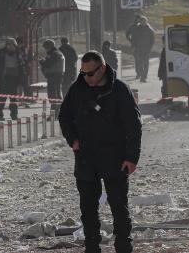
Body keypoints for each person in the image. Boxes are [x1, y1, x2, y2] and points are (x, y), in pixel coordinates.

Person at [58, 51, 142, 253]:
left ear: (102, 69)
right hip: (86, 157)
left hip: (115, 157)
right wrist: (73, 141)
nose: (87, 78)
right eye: (83, 73)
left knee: (118, 207)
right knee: (88, 210)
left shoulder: (119, 90)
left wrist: (132, 158)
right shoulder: (77, 89)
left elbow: (133, 126)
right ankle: (92, 247)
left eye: (91, 73)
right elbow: (64, 117)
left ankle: (123, 246)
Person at [0, 38, 26, 121]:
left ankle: (14, 114)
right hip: (3, 78)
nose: (11, 47)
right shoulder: (1, 53)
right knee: (2, 97)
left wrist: (23, 76)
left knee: (13, 98)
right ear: (6, 45)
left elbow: (22, 65)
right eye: (9, 45)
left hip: (14, 78)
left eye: (12, 45)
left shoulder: (18, 53)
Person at [124, 16, 155, 82]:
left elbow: (152, 40)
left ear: (146, 22)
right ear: (140, 22)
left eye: (144, 21)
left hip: (146, 49)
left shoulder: (149, 30)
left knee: (145, 63)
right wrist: (133, 44)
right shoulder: (136, 29)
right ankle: (140, 74)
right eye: (142, 21)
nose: (143, 22)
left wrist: (150, 48)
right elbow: (133, 38)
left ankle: (144, 76)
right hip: (138, 48)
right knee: (139, 62)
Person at [39, 39, 65, 109]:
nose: (45, 49)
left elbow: (49, 64)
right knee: (54, 95)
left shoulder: (55, 54)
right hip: (54, 76)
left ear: (49, 47)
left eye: (45, 47)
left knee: (54, 95)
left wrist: (42, 62)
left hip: (54, 76)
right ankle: (55, 112)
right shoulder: (54, 53)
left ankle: (56, 112)